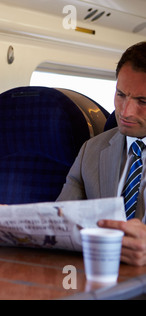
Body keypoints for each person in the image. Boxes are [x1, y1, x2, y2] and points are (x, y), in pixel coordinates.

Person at [57, 41, 146, 267]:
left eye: (142, 101)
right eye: (121, 94)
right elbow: (61, 221)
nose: (125, 111)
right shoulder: (92, 150)